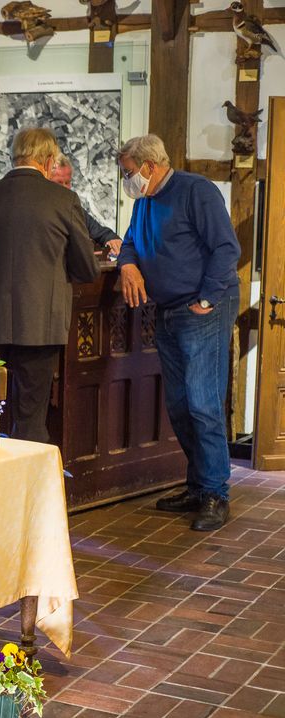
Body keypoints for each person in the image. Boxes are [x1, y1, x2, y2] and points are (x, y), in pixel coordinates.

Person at [117, 134, 240, 532]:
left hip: (201, 309)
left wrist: (206, 299)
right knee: (179, 405)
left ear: (149, 166)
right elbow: (130, 243)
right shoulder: (145, 201)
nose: (127, 179)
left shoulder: (195, 191)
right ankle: (198, 486)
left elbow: (227, 248)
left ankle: (215, 494)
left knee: (203, 404)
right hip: (167, 311)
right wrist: (127, 265)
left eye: (129, 171)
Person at [0, 127, 98, 442]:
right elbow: (87, 269)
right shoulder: (64, 200)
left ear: (14, 157)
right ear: (48, 161)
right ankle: (26, 475)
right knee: (30, 422)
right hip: (40, 328)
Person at [49, 154, 123, 256]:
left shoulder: (73, 210)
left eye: (67, 182)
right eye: (59, 183)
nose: (65, 188)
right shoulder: (38, 210)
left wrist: (112, 240)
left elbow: (100, 232)